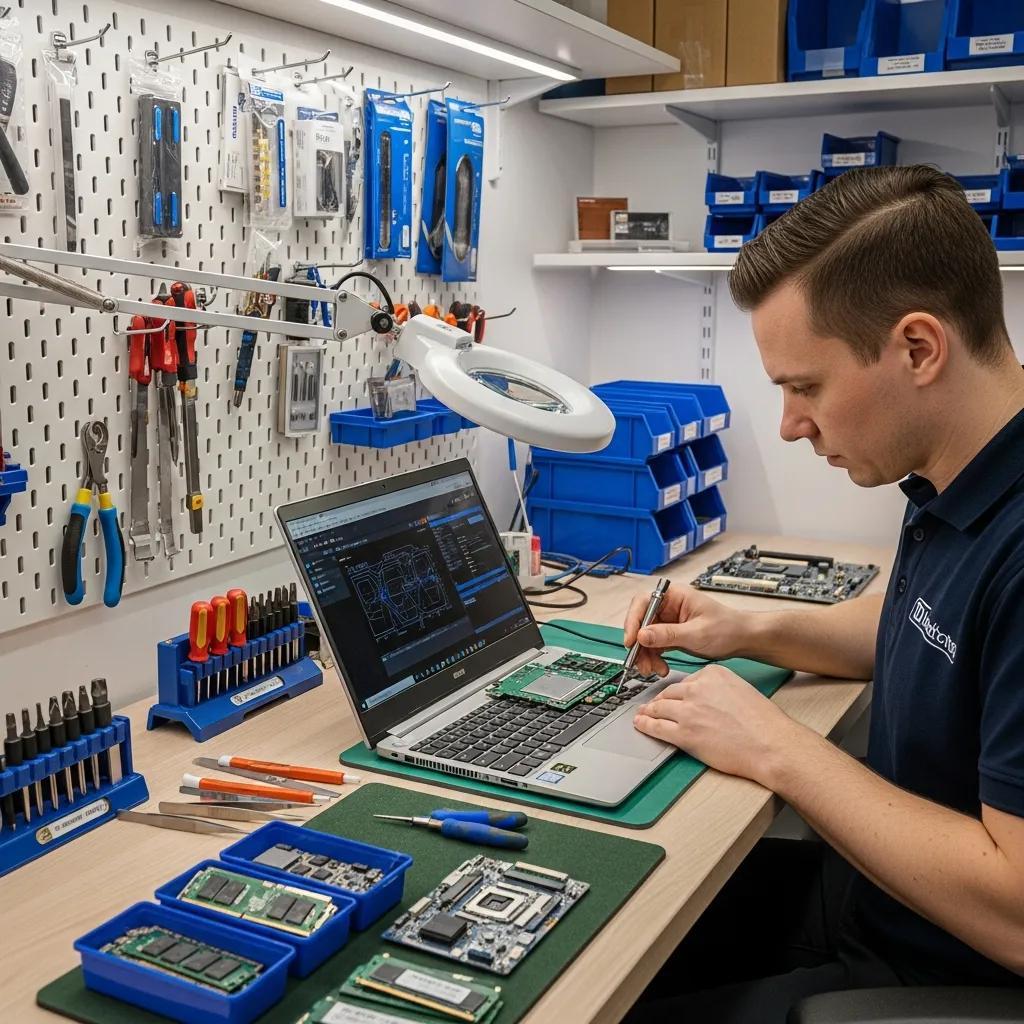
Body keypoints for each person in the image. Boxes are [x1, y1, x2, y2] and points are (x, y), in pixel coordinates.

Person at [622, 165, 1024, 1022]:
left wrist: (773, 745)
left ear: (919, 348)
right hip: (877, 902)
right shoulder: (957, 472)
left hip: (944, 973)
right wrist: (745, 627)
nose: (791, 425)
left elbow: (1018, 909)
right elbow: (916, 625)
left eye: (806, 386)